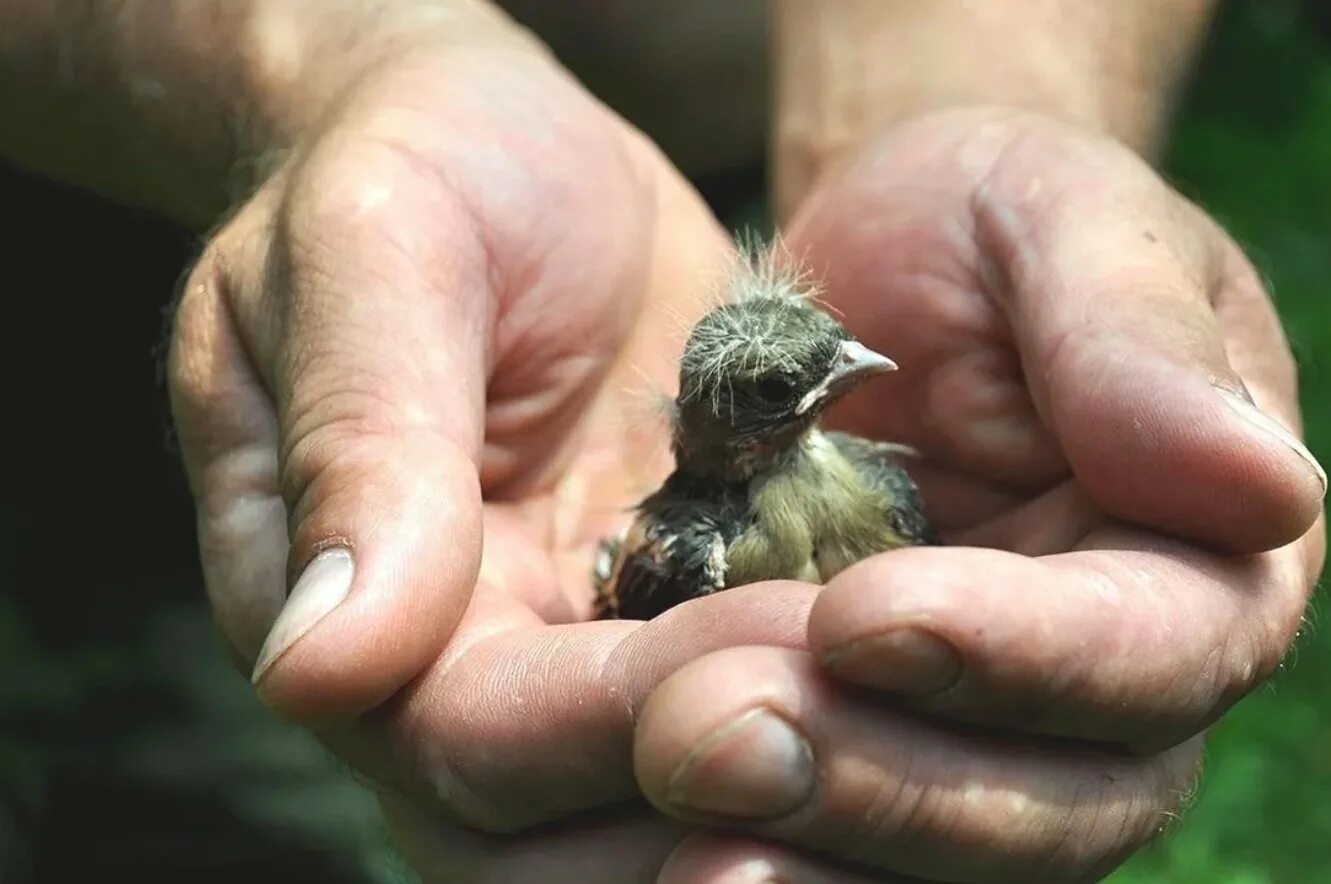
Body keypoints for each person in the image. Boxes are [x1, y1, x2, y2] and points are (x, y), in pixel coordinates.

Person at [2, 2, 1325, 881]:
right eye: (800, 382)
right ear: (722, 422)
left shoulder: (867, 485)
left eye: (841, 361)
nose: (857, 372)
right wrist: (340, 68)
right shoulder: (687, 550)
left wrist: (974, 104)